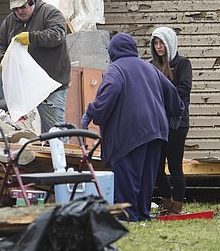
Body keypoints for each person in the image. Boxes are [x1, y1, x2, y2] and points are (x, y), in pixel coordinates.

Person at [81, 33, 184, 222]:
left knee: (127, 176)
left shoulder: (116, 69)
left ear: (112, 51)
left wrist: (91, 113)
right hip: (156, 132)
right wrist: (176, 112)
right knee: (146, 177)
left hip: (130, 133)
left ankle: (128, 215)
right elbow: (173, 94)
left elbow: (107, 95)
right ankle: (142, 213)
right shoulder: (150, 68)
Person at [0, 0, 71, 133]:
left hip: (49, 82)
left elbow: (58, 34)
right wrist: (3, 59)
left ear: (30, 1)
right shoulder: (10, 21)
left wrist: (32, 37)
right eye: (15, 9)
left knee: (55, 133)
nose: (19, 12)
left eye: (22, 7)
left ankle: (59, 154)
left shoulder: (49, 13)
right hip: (20, 77)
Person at [150, 27, 192, 215]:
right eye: (155, 43)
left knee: (175, 165)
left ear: (169, 43)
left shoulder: (183, 64)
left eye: (162, 43)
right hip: (157, 122)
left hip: (177, 123)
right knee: (157, 167)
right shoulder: (151, 65)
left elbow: (184, 89)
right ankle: (166, 202)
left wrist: (164, 96)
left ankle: (177, 205)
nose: (159, 47)